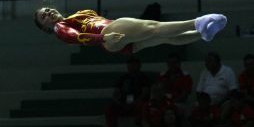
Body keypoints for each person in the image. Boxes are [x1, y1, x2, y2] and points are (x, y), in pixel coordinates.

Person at [34, 7, 227, 54]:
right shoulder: (60, 28)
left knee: (165, 38)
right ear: (45, 27)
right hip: (108, 35)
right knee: (153, 27)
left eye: (47, 9)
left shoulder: (80, 13)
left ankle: (202, 34)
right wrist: (101, 37)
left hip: (119, 41)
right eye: (44, 16)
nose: (48, 12)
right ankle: (197, 22)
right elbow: (77, 38)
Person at [105, 57, 150, 127]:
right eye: (130, 65)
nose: (132, 67)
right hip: (123, 103)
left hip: (137, 103)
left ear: (139, 65)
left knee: (142, 106)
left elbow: (145, 93)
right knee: (110, 108)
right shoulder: (123, 78)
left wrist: (134, 102)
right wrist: (118, 102)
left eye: (134, 65)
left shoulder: (144, 78)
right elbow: (116, 93)